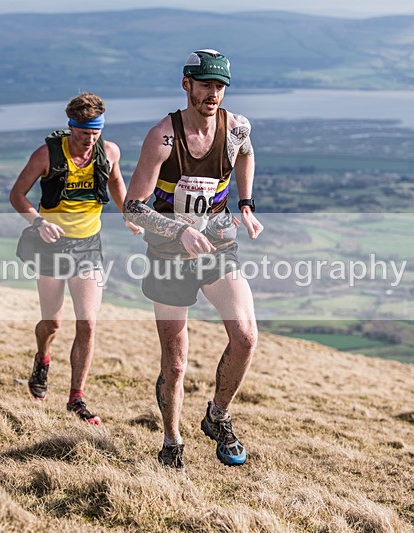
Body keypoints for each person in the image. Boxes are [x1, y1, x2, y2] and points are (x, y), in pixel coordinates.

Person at [124, 49, 264, 469]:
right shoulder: (162, 137)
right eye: (205, 84)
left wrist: (246, 203)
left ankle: (217, 417)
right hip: (169, 253)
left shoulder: (236, 128)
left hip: (218, 243)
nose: (213, 93)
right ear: (186, 84)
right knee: (176, 360)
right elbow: (132, 207)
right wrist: (180, 230)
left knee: (245, 336)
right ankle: (171, 442)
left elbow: (247, 155)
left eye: (219, 86)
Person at [10, 92, 140, 425]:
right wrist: (38, 222)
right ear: (71, 128)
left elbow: (115, 182)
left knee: (88, 323)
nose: (89, 141)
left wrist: (128, 214)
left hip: (87, 248)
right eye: (84, 134)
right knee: (52, 323)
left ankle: (76, 399)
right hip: (50, 247)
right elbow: (17, 194)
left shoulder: (108, 152)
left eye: (95, 134)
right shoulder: (46, 155)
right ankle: (42, 358)